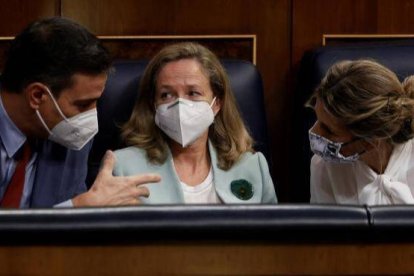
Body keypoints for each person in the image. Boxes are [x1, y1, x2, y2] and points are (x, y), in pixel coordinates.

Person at [0, 17, 160, 208]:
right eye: (83, 105)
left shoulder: (72, 136)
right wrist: (77, 208)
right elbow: (76, 204)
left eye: (96, 103)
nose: (91, 119)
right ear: (37, 95)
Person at [113, 42, 277, 204]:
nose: (179, 105)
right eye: (166, 95)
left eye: (193, 93)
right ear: (153, 104)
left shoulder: (252, 166)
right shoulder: (123, 167)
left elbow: (274, 228)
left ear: (217, 103)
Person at [308, 59, 414, 205]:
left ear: (370, 142)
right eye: (317, 120)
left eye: (328, 130)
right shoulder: (322, 166)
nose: (314, 132)